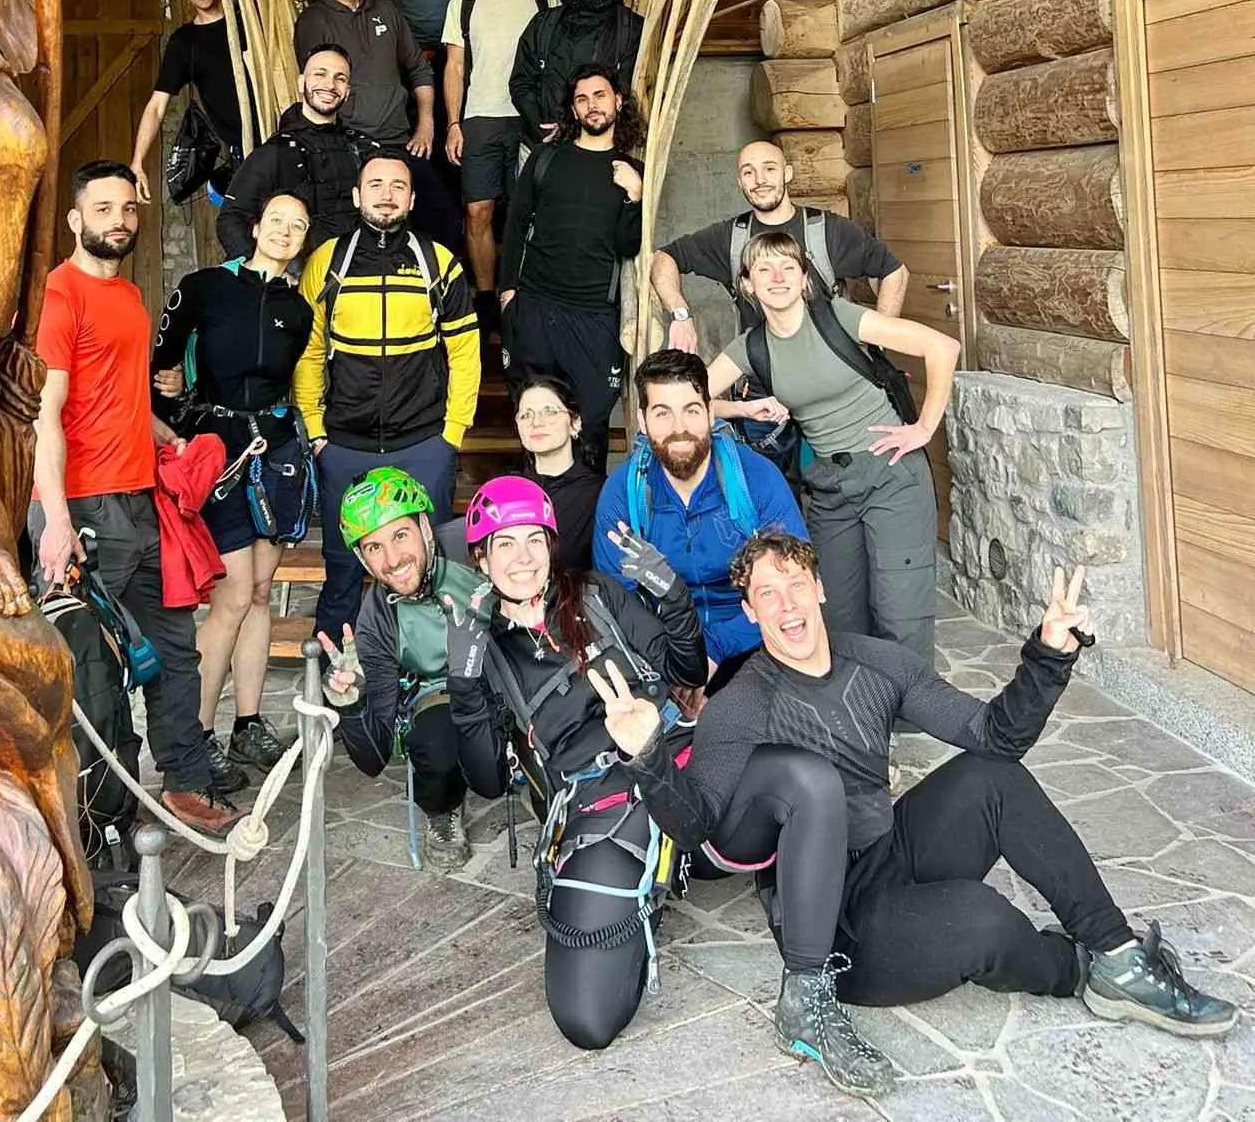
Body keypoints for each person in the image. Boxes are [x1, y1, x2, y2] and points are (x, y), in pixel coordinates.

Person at [599, 528, 1236, 1100]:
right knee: (981, 917)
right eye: (768, 593)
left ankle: (1117, 955)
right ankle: (1068, 972)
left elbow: (993, 734)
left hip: (891, 853)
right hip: (837, 929)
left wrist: (1049, 654)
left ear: (820, 589)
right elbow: (696, 826)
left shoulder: (877, 662)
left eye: (796, 584)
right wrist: (649, 756)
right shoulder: (740, 704)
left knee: (993, 775)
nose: (787, 604)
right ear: (749, 611)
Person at [445, 477, 706, 1050]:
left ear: (551, 546)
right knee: (586, 1018)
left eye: (534, 541)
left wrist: (673, 597)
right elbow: (488, 781)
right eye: (505, 544)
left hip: (674, 749)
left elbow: (686, 671)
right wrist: (463, 687)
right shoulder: (486, 651)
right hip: (600, 798)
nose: (522, 558)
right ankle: (653, 876)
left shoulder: (595, 596)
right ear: (481, 559)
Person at [33, 162, 239, 836]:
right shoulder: (59, 296)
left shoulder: (128, 297)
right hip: (84, 511)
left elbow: (114, 394)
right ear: (76, 219)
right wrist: (56, 522)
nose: (119, 220)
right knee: (93, 669)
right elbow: (46, 415)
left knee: (175, 651)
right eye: (103, 209)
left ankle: (183, 782)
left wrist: (161, 432)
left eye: (127, 208)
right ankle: (99, 816)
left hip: (144, 504)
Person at [709, 230, 956, 667]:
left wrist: (923, 428)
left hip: (890, 472)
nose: (777, 277)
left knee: (900, 612)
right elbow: (693, 401)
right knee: (836, 615)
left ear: (804, 277)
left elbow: (942, 347)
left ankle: (909, 702)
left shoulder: (838, 317)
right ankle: (858, 698)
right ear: (747, 284)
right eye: (764, 269)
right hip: (829, 485)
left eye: (788, 267)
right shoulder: (751, 346)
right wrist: (743, 409)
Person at [151, 190, 315, 777]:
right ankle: (194, 736)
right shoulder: (204, 288)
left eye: (298, 225)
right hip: (218, 453)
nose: (285, 231)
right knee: (234, 595)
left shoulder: (299, 310)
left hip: (275, 452)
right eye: (277, 220)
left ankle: (248, 724)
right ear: (256, 225)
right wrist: (169, 423)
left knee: (263, 592)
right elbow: (161, 362)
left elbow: (294, 381)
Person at [295, 154, 481, 641]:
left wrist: (452, 434)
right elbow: (309, 351)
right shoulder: (327, 261)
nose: (386, 194)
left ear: (412, 199)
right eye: (375, 185)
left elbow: (465, 352)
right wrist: (315, 431)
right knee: (343, 568)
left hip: (423, 441)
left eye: (398, 186)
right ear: (357, 196)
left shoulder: (438, 262)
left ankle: (437, 672)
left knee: (432, 567)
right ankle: (340, 678)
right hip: (344, 443)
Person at [594, 350, 806, 675]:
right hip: (663, 648)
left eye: (691, 411)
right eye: (662, 413)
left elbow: (797, 582)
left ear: (709, 413)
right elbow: (618, 601)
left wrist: (715, 648)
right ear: (642, 420)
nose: (679, 428)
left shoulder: (755, 477)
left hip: (755, 639)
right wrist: (679, 660)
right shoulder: (624, 491)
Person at [317, 467, 479, 869]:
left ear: (425, 526)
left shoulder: (475, 543)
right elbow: (374, 758)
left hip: (508, 670)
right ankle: (443, 808)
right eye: (374, 547)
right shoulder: (375, 621)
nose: (392, 560)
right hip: (443, 691)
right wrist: (353, 705)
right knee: (434, 745)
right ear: (361, 557)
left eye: (400, 535)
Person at [500, 64, 643, 473]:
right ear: (574, 110)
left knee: (591, 428)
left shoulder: (630, 170)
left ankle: (587, 509)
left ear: (618, 101)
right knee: (536, 422)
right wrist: (508, 293)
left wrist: (633, 197)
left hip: (594, 315)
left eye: (600, 95)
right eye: (582, 99)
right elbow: (516, 225)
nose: (592, 105)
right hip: (536, 307)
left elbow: (628, 246)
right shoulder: (546, 159)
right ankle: (538, 506)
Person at [652, 137, 908, 348]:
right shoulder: (730, 238)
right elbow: (665, 257)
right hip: (762, 382)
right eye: (748, 172)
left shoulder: (827, 230)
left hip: (831, 377)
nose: (760, 180)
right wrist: (680, 314)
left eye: (770, 169)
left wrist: (879, 344)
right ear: (739, 182)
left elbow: (895, 272)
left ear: (787, 173)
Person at [295, 0, 457, 246]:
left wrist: (426, 124)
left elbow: (419, 67)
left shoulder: (385, 10)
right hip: (349, 147)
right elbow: (316, 90)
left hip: (399, 142)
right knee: (366, 233)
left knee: (442, 219)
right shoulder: (313, 21)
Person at [441, 0, 555, 325]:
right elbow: (454, 67)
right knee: (478, 211)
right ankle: (488, 301)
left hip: (531, 118)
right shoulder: (463, 1)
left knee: (532, 213)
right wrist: (453, 123)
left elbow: (559, 56)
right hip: (480, 116)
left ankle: (526, 294)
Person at [215, 45, 380, 259]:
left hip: (362, 268)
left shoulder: (365, 148)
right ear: (301, 83)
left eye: (340, 78)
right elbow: (231, 219)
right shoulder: (275, 152)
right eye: (320, 74)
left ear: (347, 91)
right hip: (299, 272)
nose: (330, 85)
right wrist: (264, 271)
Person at [510, 0, 643, 147]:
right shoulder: (545, 23)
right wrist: (542, 125)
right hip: (548, 144)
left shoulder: (633, 27)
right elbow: (521, 81)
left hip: (605, 147)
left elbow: (634, 88)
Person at [131, 0, 244, 203]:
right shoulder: (185, 42)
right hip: (242, 148)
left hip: (281, 131)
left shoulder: (250, 22)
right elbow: (156, 106)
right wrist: (137, 162)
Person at [514, 374, 603, 572]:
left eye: (549, 412)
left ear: (575, 423)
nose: (536, 422)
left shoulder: (599, 493)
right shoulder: (506, 489)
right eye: (526, 415)